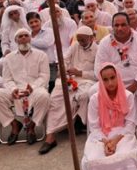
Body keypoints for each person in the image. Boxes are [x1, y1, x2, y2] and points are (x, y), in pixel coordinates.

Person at [40, 26, 98, 155]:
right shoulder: (75, 46)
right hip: (69, 78)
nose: (80, 43)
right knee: (55, 98)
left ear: (91, 38)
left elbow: (98, 74)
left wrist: (80, 72)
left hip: (87, 80)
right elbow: (64, 60)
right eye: (79, 40)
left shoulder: (98, 50)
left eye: (83, 40)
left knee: (82, 96)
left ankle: (75, 123)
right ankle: (50, 136)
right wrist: (64, 72)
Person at [81, 63, 137, 170]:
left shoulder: (128, 96)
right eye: (105, 79)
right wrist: (106, 143)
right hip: (100, 136)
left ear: (118, 76)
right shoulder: (94, 99)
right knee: (94, 160)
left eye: (112, 78)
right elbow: (94, 127)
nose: (110, 83)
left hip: (123, 135)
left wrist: (114, 142)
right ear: (100, 81)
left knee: (127, 157)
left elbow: (130, 125)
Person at [0, 29, 50, 146]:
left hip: (35, 89)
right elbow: (6, 79)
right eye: (20, 36)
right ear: (16, 40)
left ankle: (31, 127)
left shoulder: (41, 55)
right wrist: (13, 90)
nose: (23, 38)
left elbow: (44, 76)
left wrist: (32, 87)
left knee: (45, 96)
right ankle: (14, 125)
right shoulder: (9, 58)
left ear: (30, 38)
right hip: (15, 89)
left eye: (26, 35)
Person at [95, 13, 137, 98]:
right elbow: (98, 67)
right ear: (112, 27)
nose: (120, 28)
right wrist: (113, 85)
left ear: (129, 25)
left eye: (123, 25)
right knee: (93, 92)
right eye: (116, 25)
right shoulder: (104, 43)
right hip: (111, 83)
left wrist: (135, 85)